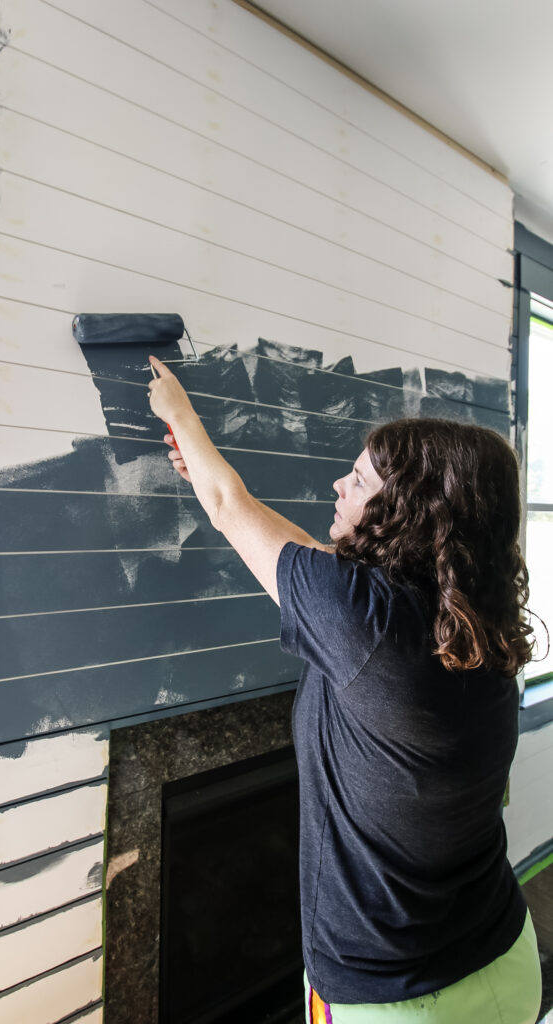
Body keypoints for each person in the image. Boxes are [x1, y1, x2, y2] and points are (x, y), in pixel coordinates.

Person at [147, 354, 543, 1024]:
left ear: (405, 513)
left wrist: (178, 413)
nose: (337, 483)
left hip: (401, 1003)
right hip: (503, 955)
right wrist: (204, 465)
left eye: (357, 479)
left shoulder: (365, 619)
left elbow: (227, 506)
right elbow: (301, 550)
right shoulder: (463, 618)